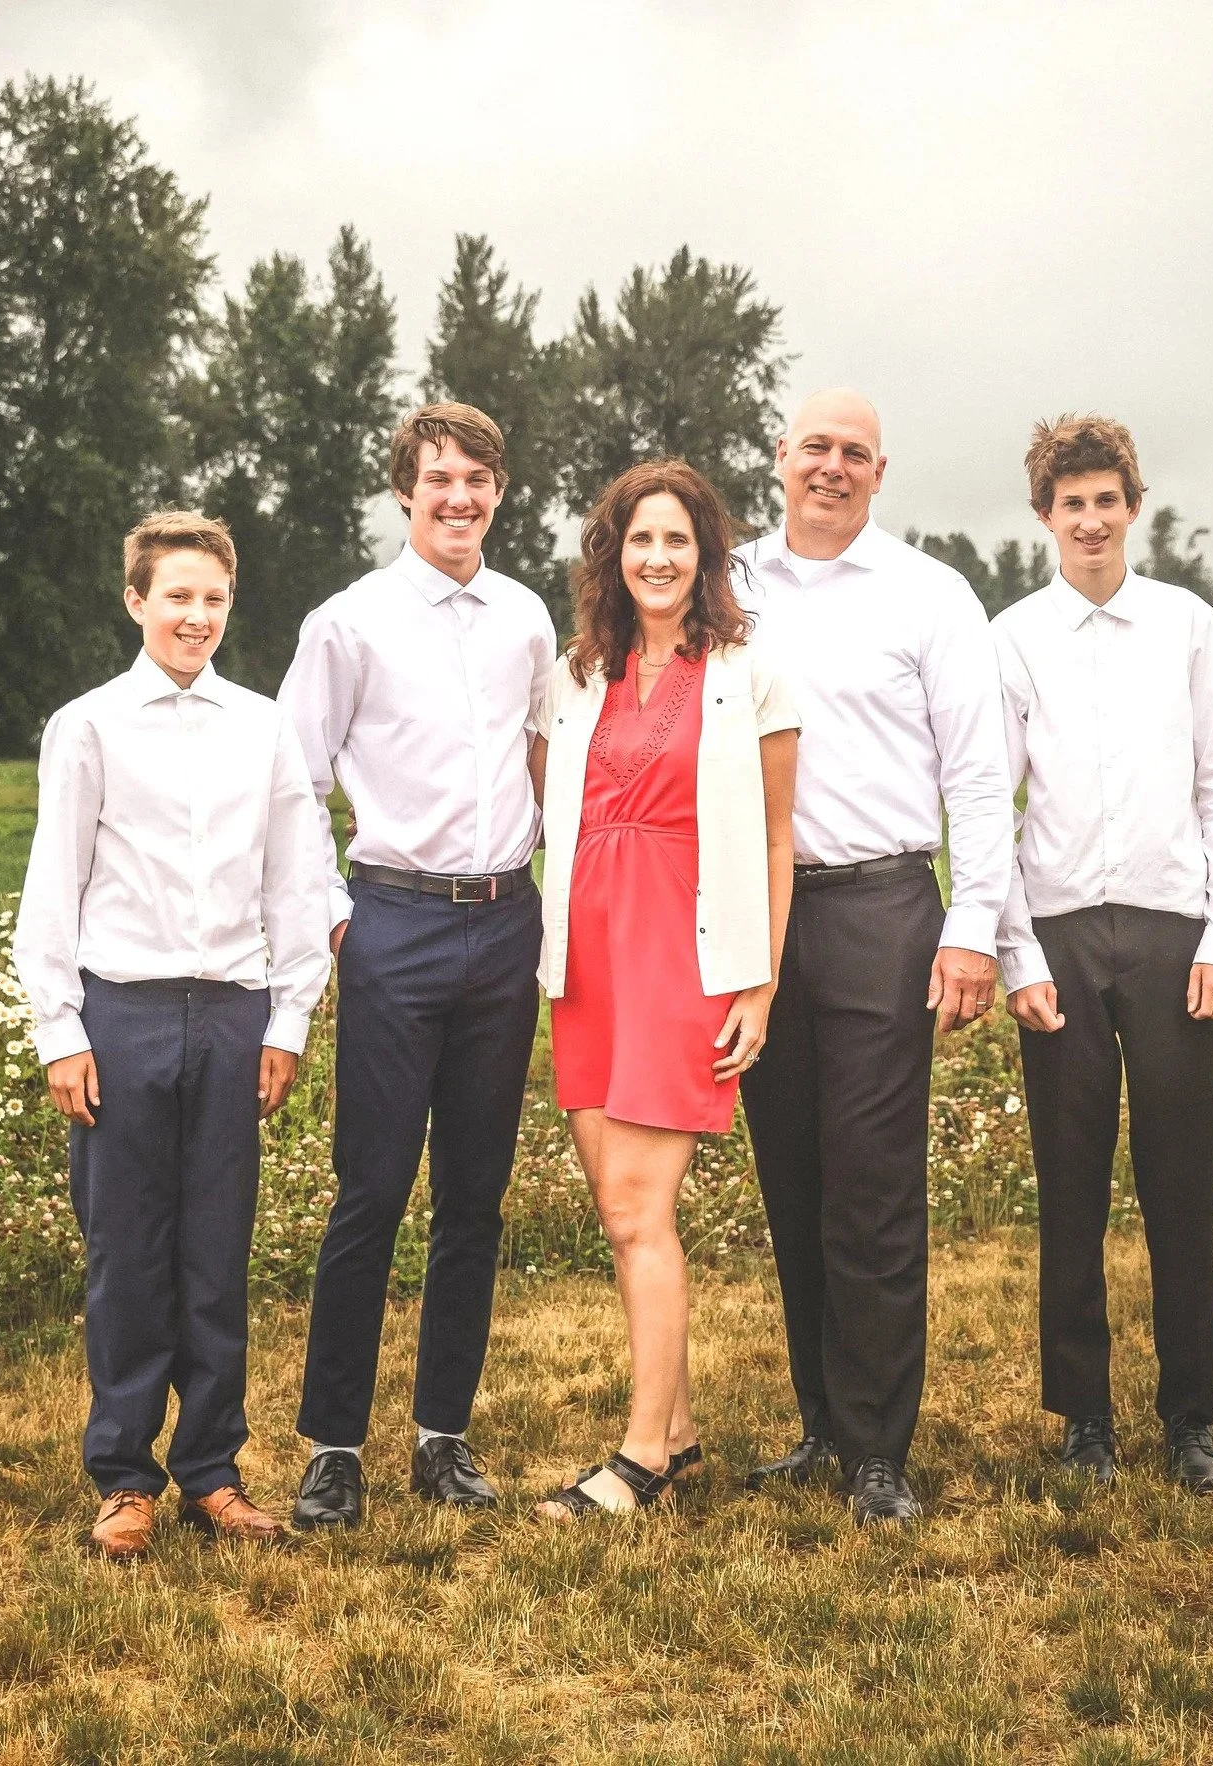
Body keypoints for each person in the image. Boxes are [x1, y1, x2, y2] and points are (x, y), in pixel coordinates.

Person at [14, 511, 331, 1560]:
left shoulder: (263, 727)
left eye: (213, 598)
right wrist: (63, 1029)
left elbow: (296, 877)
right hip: (126, 1012)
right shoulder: (90, 726)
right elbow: (52, 886)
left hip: (233, 1013)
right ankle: (123, 1475)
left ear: (230, 606)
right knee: (126, 1254)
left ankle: (211, 1468)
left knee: (214, 1253)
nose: (196, 615)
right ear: (137, 600)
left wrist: (285, 1017)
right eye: (177, 595)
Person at [734, 389, 1014, 1524]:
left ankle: (881, 1451)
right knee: (792, 1177)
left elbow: (979, 777)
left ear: (881, 472)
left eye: (854, 454)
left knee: (875, 1186)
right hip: (758, 914)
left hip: (882, 909)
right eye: (815, 449)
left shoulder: (930, 594)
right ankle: (821, 1423)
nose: (832, 468)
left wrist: (972, 927)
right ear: (780, 459)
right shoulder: (729, 584)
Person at [279, 403, 556, 1527]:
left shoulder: (527, 617)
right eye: (440, 478)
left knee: (474, 1197)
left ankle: (443, 1433)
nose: (460, 498)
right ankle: (333, 1446)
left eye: (479, 480)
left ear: (499, 491)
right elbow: (293, 781)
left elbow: (548, 758)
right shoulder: (347, 623)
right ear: (407, 490)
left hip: (505, 922)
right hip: (393, 921)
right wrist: (339, 916)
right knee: (372, 1189)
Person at [995, 415, 1213, 1492]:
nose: (1093, 518)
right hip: (1060, 934)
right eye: (1073, 503)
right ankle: (1086, 1418)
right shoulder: (1012, 637)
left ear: (1132, 508)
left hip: (1170, 935)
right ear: (1045, 516)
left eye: (1109, 499)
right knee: (1071, 1185)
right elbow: (987, 804)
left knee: (1178, 1182)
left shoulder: (1189, 627)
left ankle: (1189, 1418)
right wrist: (1016, 951)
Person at [529, 460, 799, 1517]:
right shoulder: (575, 673)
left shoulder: (750, 671)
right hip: (586, 959)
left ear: (706, 555)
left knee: (644, 1207)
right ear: (613, 552)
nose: (657, 558)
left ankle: (640, 1455)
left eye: (677, 541)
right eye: (640, 539)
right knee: (615, 1204)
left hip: (681, 956)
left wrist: (759, 981)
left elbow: (779, 838)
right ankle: (678, 1429)